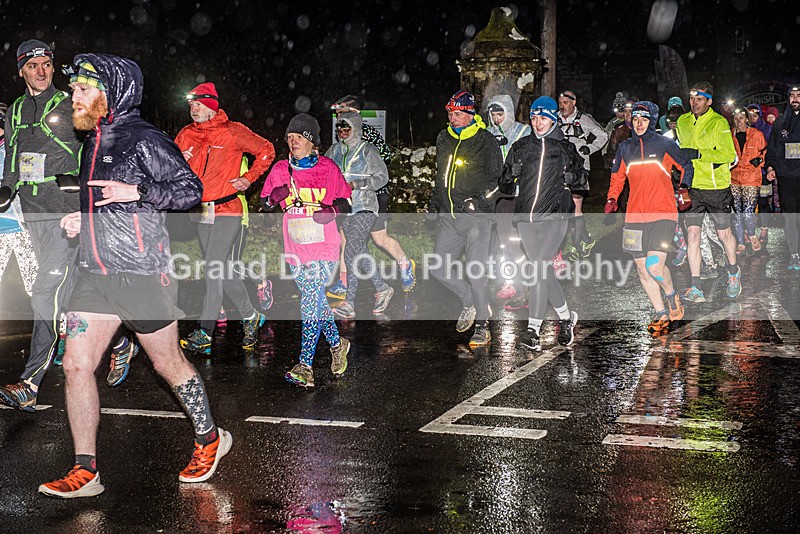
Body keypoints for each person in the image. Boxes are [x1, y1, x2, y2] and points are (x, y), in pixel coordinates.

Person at [39, 53, 231, 498]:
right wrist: (81, 222)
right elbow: (103, 205)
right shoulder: (93, 141)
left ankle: (209, 438)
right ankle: (86, 470)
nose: (74, 98)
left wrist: (139, 189)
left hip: (142, 272)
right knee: (75, 364)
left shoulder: (146, 139)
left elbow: (190, 191)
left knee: (168, 363)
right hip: (94, 273)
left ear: (109, 94)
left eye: (83, 90)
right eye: (74, 90)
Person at [0, 40, 89, 411]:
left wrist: (83, 182)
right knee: (62, 294)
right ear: (21, 70)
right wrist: (6, 186)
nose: (41, 70)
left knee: (43, 291)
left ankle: (31, 381)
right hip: (32, 211)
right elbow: (14, 156)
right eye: (33, 65)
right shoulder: (17, 110)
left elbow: (98, 144)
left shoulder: (71, 105)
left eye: (47, 64)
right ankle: (120, 340)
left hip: (66, 213)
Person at [174, 82, 275, 355]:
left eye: (198, 104)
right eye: (191, 105)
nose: (193, 109)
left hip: (228, 210)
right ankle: (250, 315)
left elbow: (266, 150)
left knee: (213, 269)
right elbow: (171, 169)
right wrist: (177, 163)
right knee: (224, 272)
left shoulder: (233, 132)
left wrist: (248, 178)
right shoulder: (185, 135)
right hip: (201, 212)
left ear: (210, 106)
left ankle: (205, 331)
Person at [260, 113, 352, 387]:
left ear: (312, 142)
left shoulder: (328, 168)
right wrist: (271, 198)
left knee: (309, 298)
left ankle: (305, 365)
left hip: (325, 245)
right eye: (290, 137)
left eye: (299, 137)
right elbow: (264, 204)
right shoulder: (280, 170)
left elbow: (346, 203)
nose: (293, 142)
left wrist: (332, 210)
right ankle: (337, 344)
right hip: (295, 247)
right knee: (316, 300)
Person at [498, 96, 583, 351]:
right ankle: (567, 318)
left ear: (553, 119)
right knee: (542, 272)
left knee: (537, 270)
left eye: (543, 118)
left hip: (554, 218)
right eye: (534, 118)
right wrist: (510, 174)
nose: (537, 123)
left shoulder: (565, 149)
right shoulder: (521, 146)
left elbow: (582, 181)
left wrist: (574, 177)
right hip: (525, 219)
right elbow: (503, 186)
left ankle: (533, 331)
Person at [606, 101, 692, 334]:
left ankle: (672, 295)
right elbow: (617, 177)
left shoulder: (664, 144)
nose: (639, 123)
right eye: (635, 119)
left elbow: (686, 164)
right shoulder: (625, 148)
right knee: (643, 270)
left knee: (655, 266)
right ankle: (661, 313)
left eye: (644, 119)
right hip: (634, 216)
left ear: (652, 121)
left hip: (663, 213)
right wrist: (612, 199)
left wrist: (683, 189)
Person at [428, 90, 502, 348]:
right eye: (450, 113)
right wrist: (435, 202)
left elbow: (499, 182)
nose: (453, 118)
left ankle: (483, 326)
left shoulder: (485, 140)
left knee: (475, 271)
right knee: (437, 267)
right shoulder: (443, 138)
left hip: (477, 218)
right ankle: (469, 300)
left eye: (458, 114)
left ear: (470, 114)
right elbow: (441, 175)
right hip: (450, 217)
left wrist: (479, 201)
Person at [327, 95, 415, 297]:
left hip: (374, 194)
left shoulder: (367, 134)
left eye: (342, 112)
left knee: (379, 239)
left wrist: (362, 180)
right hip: (349, 198)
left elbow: (384, 160)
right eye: (338, 114)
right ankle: (343, 281)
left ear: (354, 113)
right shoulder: (342, 132)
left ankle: (405, 264)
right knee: (345, 239)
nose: (338, 117)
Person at [675, 82, 740, 302]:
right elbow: (679, 151)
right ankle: (696, 286)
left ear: (709, 101)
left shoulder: (719, 122)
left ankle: (733, 272)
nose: (694, 103)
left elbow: (728, 155)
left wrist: (699, 154)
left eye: (700, 99)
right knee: (693, 235)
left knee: (723, 234)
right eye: (692, 98)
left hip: (716, 187)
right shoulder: (682, 122)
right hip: (692, 188)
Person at [326, 112, 394, 318]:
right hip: (344, 209)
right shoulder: (333, 150)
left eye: (347, 129)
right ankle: (383, 288)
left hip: (364, 207)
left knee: (350, 253)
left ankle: (349, 302)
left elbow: (383, 177)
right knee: (361, 252)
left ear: (355, 129)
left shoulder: (368, 150)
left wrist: (357, 184)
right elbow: (323, 172)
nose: (342, 133)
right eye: (339, 129)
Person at [485, 94, 531, 301]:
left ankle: (531, 277)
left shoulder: (524, 131)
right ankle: (512, 281)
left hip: (523, 193)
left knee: (524, 240)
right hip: (501, 195)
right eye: (493, 114)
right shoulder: (487, 134)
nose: (496, 119)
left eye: (500, 114)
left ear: (509, 113)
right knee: (505, 241)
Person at [558, 90, 608, 259]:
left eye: (566, 102)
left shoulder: (584, 119)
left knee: (576, 207)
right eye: (561, 102)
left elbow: (603, 135)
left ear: (574, 103)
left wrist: (590, 148)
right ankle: (585, 238)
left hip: (579, 168)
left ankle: (576, 246)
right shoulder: (555, 118)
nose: (562, 105)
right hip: (559, 168)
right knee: (562, 208)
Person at [0, 102, 38, 298]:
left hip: (21, 229)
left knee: (36, 287)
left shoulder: (18, 151)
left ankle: (57, 325)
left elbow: (36, 184)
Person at [765, 85, 800, 270]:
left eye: (799, 95)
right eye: (792, 95)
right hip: (786, 177)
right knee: (790, 218)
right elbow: (772, 147)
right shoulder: (780, 123)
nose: (795, 99)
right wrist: (770, 166)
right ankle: (794, 255)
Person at [730, 108, 767, 254]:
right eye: (736, 118)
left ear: (747, 119)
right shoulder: (729, 135)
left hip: (751, 177)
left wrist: (760, 160)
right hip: (733, 178)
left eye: (742, 118)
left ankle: (751, 235)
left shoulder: (757, 135)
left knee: (747, 212)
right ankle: (740, 243)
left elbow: (765, 152)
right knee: (737, 213)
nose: (739, 121)